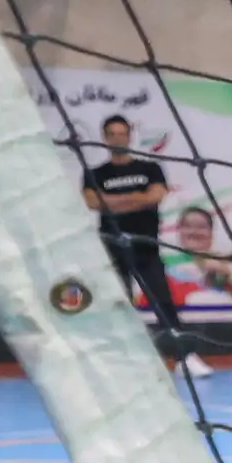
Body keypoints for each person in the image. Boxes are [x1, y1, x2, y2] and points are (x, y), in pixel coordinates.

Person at [78, 114, 196, 368]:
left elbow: (155, 196)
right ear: (105, 138)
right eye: (112, 134)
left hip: (146, 248)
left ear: (129, 136)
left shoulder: (150, 169)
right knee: (118, 306)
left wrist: (113, 202)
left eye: (122, 134)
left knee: (163, 303)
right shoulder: (94, 173)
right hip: (112, 249)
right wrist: (137, 198)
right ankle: (122, 361)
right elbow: (92, 202)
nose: (118, 139)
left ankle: (184, 357)